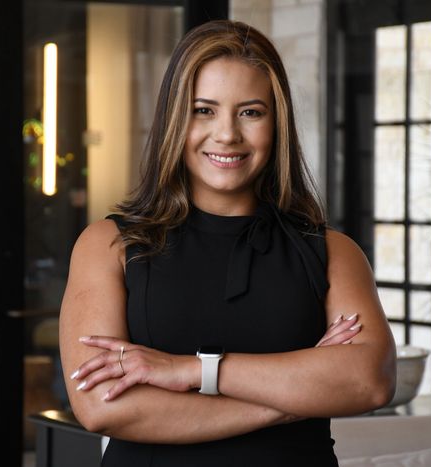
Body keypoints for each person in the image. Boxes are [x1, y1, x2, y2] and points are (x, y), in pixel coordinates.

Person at [59, 19, 396, 466]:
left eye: (251, 112)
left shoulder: (332, 252)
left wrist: (190, 371)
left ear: (277, 124)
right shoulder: (109, 246)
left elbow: (370, 381)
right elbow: (102, 406)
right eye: (204, 110)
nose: (227, 134)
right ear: (175, 118)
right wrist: (296, 396)